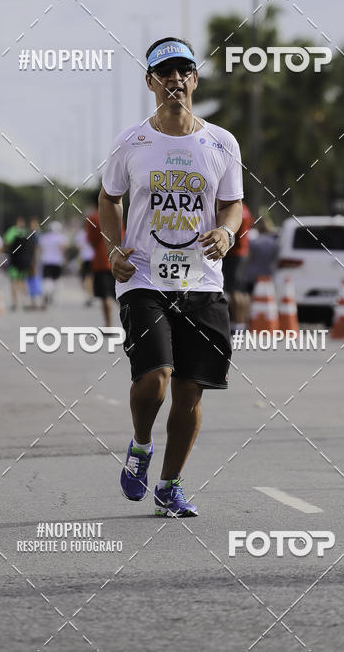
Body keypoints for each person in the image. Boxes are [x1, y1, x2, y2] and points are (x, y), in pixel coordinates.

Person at [99, 37, 243, 517]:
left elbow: (233, 203)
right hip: (143, 278)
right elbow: (108, 197)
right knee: (155, 380)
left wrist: (226, 230)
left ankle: (170, 485)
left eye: (184, 72)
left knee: (189, 392)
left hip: (202, 282)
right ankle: (141, 445)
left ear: (195, 80)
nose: (175, 80)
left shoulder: (221, 142)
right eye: (165, 73)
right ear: (151, 83)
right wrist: (114, 248)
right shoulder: (131, 141)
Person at [222, 201, 254, 333]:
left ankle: (236, 323)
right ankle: (242, 323)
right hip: (243, 252)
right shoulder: (246, 210)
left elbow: (230, 231)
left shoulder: (236, 211)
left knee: (233, 290)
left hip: (234, 253)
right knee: (241, 291)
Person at [86, 196, 117, 327]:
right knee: (121, 295)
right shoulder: (117, 215)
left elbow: (91, 241)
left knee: (105, 296)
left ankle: (109, 325)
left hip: (101, 261)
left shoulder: (93, 218)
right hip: (117, 259)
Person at [3, 217, 34, 311]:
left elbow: (6, 242)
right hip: (25, 261)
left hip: (14, 260)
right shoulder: (27, 232)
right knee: (23, 282)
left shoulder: (12, 231)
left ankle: (15, 302)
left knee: (14, 282)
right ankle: (26, 301)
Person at [39, 221, 68, 307]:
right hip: (57, 262)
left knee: (47, 279)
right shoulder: (61, 238)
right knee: (56, 280)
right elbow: (63, 249)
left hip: (46, 261)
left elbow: (41, 249)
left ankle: (47, 292)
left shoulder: (44, 237)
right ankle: (51, 293)